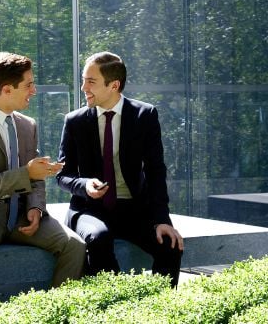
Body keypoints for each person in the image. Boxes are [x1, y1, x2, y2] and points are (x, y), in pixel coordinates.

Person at [0, 52, 85, 311]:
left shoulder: (27, 125)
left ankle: (56, 314)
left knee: (75, 246)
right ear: (7, 89)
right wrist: (26, 174)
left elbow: (37, 177)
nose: (33, 90)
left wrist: (35, 208)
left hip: (23, 212)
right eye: (28, 85)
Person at [56, 52, 184, 286]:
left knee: (170, 246)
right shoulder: (75, 121)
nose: (84, 87)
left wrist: (162, 219)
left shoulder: (144, 115)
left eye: (91, 81)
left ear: (114, 85)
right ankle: (116, 306)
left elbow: (156, 171)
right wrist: (84, 185)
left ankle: (160, 312)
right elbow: (62, 175)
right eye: (84, 80)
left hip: (134, 209)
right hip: (89, 209)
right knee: (99, 239)